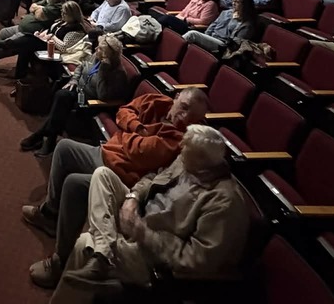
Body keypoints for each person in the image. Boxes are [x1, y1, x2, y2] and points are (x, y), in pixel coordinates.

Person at [24, 90, 210, 288]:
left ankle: (60, 261)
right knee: (64, 148)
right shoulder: (156, 101)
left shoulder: (177, 139)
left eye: (191, 118)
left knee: (74, 183)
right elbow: (124, 110)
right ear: (176, 97)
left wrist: (125, 133)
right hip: (109, 151)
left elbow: (137, 153)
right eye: (183, 107)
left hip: (121, 172)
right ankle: (51, 214)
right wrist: (136, 127)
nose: (183, 117)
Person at [44, 125, 248, 301]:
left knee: (84, 244)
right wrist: (133, 198)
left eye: (186, 150)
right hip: (137, 216)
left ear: (203, 161)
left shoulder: (224, 202)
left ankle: (97, 257)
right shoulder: (186, 161)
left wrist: (144, 233)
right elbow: (152, 177)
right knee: (102, 174)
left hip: (150, 254)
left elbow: (195, 261)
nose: (181, 149)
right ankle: (104, 250)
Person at [22, 35, 130, 157]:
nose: (96, 50)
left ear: (107, 55)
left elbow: (102, 95)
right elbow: (81, 66)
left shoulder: (117, 73)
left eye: (100, 49)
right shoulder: (96, 57)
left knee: (61, 103)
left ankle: (44, 137)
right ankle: (46, 137)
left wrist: (102, 72)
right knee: (61, 95)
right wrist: (73, 80)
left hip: (91, 103)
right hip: (79, 91)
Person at [183, 0, 256, 55]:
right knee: (189, 46)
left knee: (192, 34)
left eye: (237, 2)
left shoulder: (246, 23)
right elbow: (213, 25)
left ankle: (176, 48)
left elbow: (236, 43)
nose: (233, 4)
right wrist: (206, 37)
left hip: (222, 44)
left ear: (244, 5)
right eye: (233, 1)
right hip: (212, 37)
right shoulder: (226, 12)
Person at [153, 0, 221, 33]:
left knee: (167, 18)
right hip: (183, 22)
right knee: (155, 13)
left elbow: (203, 22)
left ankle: (152, 30)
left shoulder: (211, 4)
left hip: (191, 28)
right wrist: (178, 17)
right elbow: (183, 12)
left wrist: (186, 19)